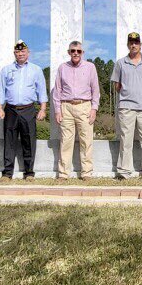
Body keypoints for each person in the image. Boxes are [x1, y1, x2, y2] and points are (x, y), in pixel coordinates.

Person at [0, 40, 48, 181]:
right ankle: (7, 173)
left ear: (28, 53)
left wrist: (43, 108)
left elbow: (42, 90)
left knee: (29, 140)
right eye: (18, 52)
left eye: (23, 51)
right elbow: (1, 90)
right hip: (11, 109)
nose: (20, 54)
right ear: (14, 54)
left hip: (28, 109)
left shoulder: (36, 69)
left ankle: (29, 172)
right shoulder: (6, 70)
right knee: (9, 141)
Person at [111, 32, 142, 180]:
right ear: (127, 44)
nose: (134, 45)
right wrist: (129, 93)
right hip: (126, 107)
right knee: (126, 140)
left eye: (136, 42)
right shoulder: (120, 63)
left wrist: (141, 94)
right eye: (131, 42)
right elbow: (117, 85)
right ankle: (124, 171)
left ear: (140, 45)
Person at [52, 40, 99, 180]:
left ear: (82, 52)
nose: (76, 53)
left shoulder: (90, 67)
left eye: (78, 51)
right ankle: (63, 173)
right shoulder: (62, 68)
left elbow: (95, 90)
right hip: (66, 107)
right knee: (66, 141)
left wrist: (94, 109)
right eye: (73, 51)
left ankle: (86, 173)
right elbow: (57, 91)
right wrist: (57, 110)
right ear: (69, 52)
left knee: (86, 140)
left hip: (84, 106)